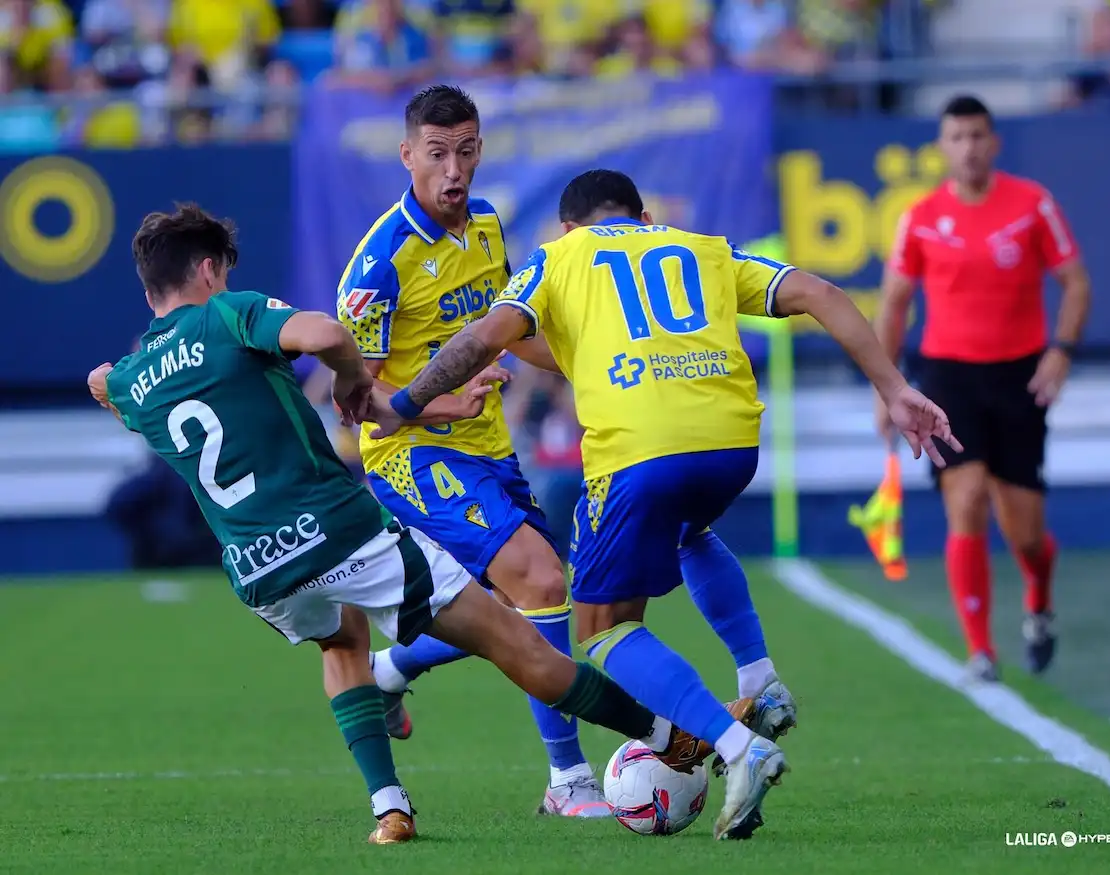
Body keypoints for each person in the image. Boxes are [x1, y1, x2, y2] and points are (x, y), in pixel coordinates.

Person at [85, 203, 756, 845]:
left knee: (341, 642)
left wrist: (438, 410)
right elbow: (323, 334)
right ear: (208, 271)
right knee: (512, 639)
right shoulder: (228, 314)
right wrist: (349, 372)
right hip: (341, 531)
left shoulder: (135, 380)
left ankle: (389, 806)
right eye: (222, 275)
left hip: (260, 570)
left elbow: (104, 383)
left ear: (150, 295)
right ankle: (671, 736)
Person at [363, 169, 960, 839]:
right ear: (643, 216)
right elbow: (820, 292)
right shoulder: (702, 246)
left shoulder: (559, 258)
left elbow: (481, 338)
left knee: (599, 628)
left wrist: (404, 404)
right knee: (688, 530)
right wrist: (894, 388)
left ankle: (735, 750)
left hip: (639, 455)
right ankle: (758, 674)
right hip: (734, 446)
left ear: (567, 227)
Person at [335, 84, 605, 817]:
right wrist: (432, 398)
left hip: (489, 447)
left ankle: (391, 668)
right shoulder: (377, 267)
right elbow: (353, 393)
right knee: (544, 581)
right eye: (437, 154)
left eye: (467, 150)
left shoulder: (486, 225)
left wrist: (592, 366)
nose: (454, 169)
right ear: (407, 156)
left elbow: (510, 329)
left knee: (516, 601)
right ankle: (570, 779)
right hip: (412, 456)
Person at [876, 95, 1091, 682]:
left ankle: (1038, 598)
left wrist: (1061, 351)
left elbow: (1074, 283)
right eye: (957, 137)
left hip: (1018, 374)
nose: (968, 147)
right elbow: (894, 305)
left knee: (1023, 529)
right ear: (943, 147)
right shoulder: (919, 216)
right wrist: (885, 387)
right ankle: (980, 650)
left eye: (978, 135)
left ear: (993, 142)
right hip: (949, 378)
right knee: (965, 499)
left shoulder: (1032, 203)